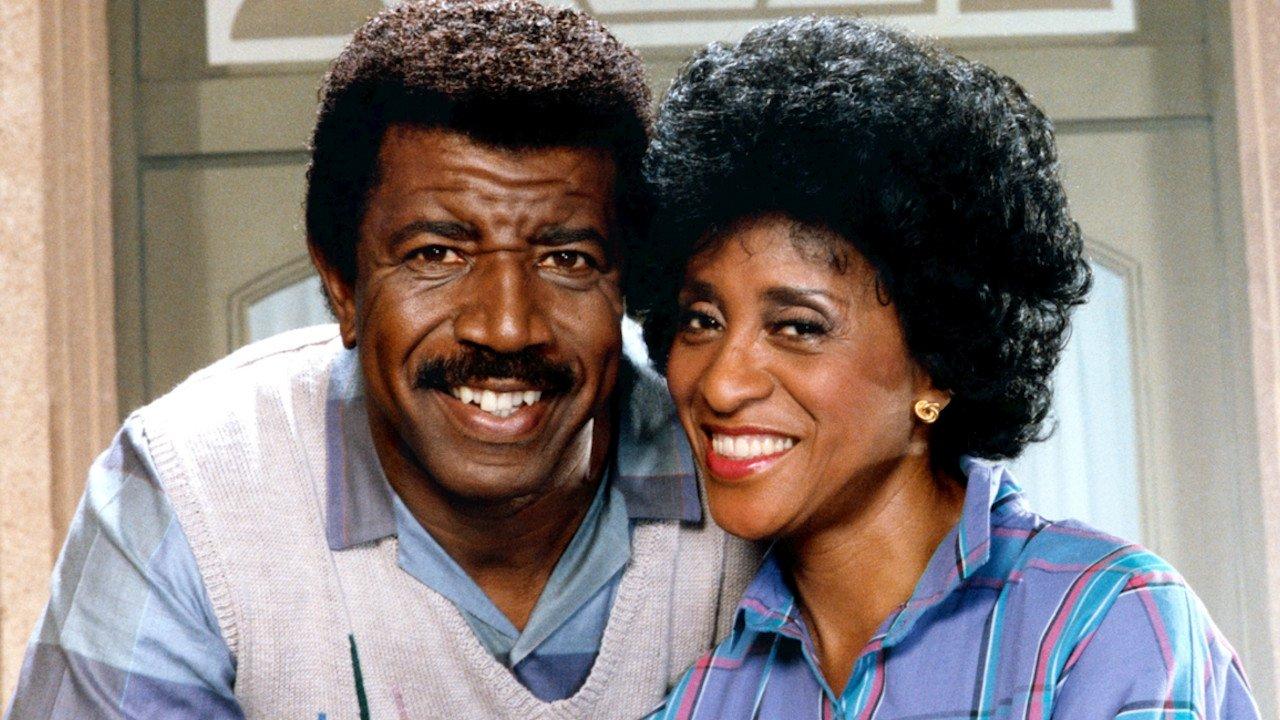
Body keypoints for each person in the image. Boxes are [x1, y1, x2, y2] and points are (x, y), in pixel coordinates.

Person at [4, 2, 756, 718]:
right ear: (341, 283)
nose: (506, 328)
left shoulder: (739, 443)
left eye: (567, 259)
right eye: (436, 254)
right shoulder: (195, 483)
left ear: (625, 282)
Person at [632, 16, 1261, 719]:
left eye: (799, 327)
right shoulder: (704, 698)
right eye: (702, 320)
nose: (722, 383)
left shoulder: (1100, 626)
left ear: (938, 363)